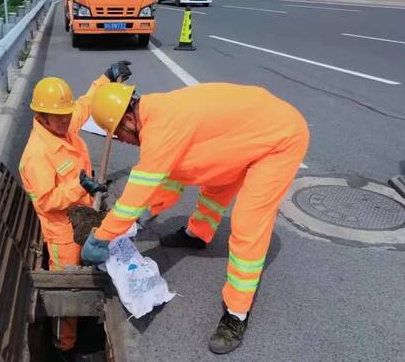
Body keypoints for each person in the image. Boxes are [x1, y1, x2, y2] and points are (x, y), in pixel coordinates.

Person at [81, 79, 309, 354]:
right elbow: (175, 174)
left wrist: (102, 237)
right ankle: (198, 234)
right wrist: (150, 212)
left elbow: (135, 194)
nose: (124, 142)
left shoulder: (162, 129)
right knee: (214, 178)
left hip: (280, 138)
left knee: (249, 224)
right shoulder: (156, 112)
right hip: (246, 134)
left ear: (129, 119)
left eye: (119, 135)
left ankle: (236, 314)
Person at [18, 61, 132, 361]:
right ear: (40, 116)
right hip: (62, 235)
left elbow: (84, 103)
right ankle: (64, 348)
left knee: (87, 279)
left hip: (83, 220)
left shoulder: (64, 125)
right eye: (57, 117)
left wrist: (106, 78)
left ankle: (86, 326)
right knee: (67, 294)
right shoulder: (36, 154)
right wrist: (81, 186)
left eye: (66, 115)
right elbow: (46, 201)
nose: (65, 120)